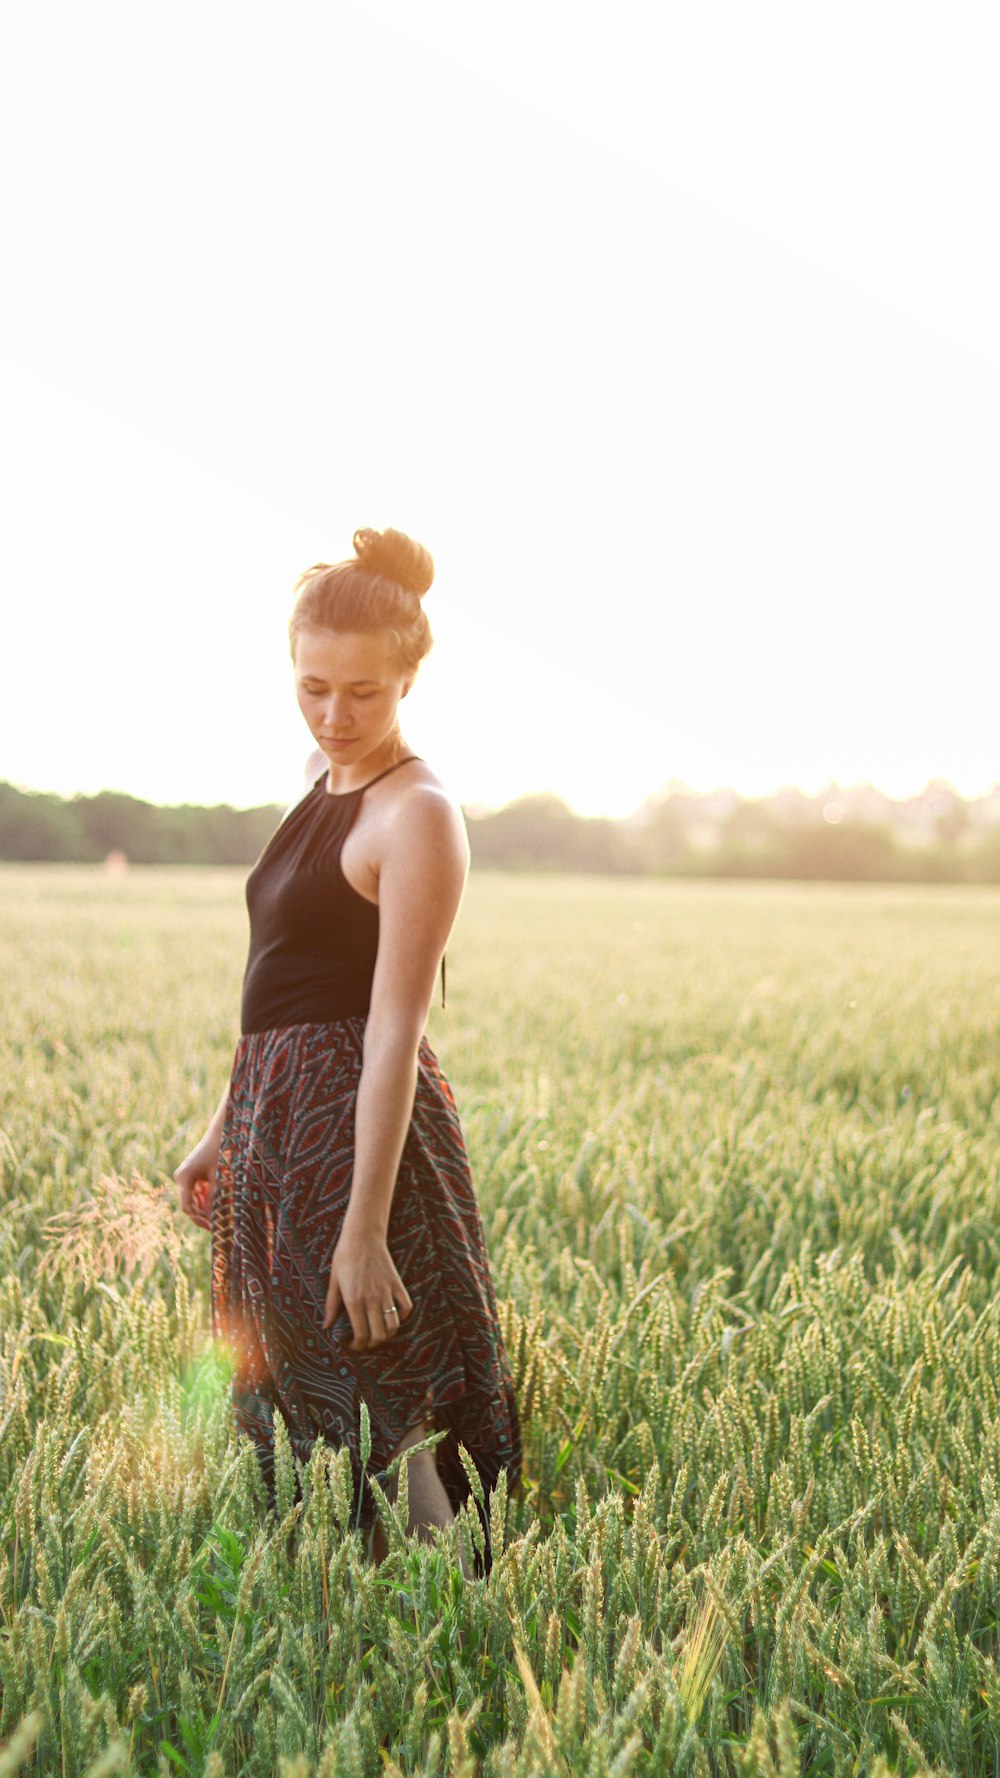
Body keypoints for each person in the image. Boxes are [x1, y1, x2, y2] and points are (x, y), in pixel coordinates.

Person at [174, 525, 522, 1572]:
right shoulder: (324, 788)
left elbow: (391, 1027)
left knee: (386, 1395)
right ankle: (378, 1630)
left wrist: (365, 1226)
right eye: (313, 686)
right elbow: (277, 988)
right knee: (313, 1392)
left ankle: (454, 1623)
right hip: (279, 1121)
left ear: (411, 675)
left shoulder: (417, 813)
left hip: (356, 1130)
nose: (335, 714)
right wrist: (218, 1129)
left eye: (363, 693)